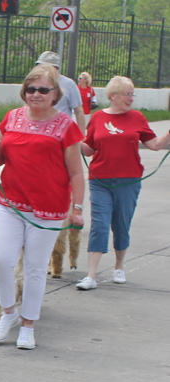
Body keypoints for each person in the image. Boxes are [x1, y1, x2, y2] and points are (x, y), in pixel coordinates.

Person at [0, 63, 85, 350]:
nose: (36, 94)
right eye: (31, 89)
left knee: (35, 268)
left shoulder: (67, 126)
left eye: (43, 90)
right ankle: (9, 314)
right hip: (11, 203)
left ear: (55, 94)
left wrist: (77, 208)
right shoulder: (11, 118)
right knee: (1, 261)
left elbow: (76, 172)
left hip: (48, 209)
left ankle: (28, 324)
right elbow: (2, 160)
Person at [76, 76, 170, 290]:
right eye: (127, 94)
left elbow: (154, 145)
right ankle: (91, 276)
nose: (131, 98)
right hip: (100, 180)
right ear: (113, 96)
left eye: (132, 94)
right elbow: (90, 148)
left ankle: (119, 266)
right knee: (99, 225)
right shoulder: (98, 117)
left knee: (121, 225)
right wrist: (72, 142)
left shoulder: (137, 117)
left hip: (128, 181)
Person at [35, 51, 86, 135]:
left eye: (44, 66)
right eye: (39, 66)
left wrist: (81, 136)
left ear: (55, 68)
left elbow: (79, 111)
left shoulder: (69, 84)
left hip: (61, 133)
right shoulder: (35, 82)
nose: (41, 69)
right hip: (39, 131)